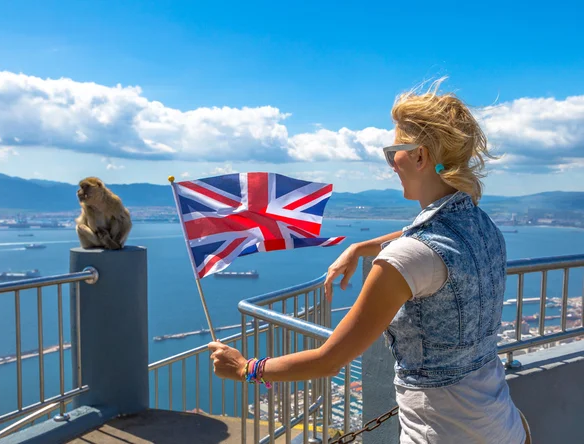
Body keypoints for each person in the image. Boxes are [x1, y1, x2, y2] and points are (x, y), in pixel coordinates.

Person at [208, 79, 528, 443]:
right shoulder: (481, 225)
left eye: (394, 152)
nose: (391, 163)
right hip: (502, 424)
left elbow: (328, 359)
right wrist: (362, 247)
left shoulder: (403, 260)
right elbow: (429, 239)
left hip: (442, 431)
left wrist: (246, 368)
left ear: (420, 156)